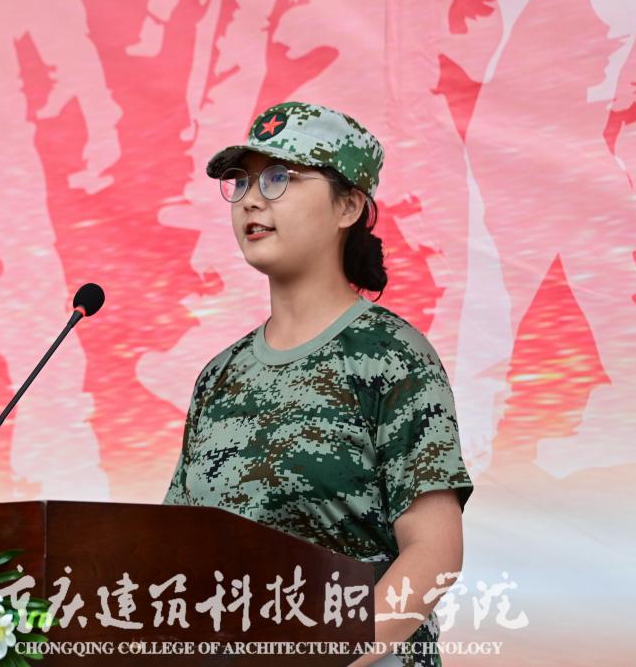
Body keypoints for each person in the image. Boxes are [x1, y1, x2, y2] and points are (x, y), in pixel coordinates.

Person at [162, 101, 474, 667]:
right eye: (242, 182)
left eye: (279, 178)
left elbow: (435, 553)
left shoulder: (392, 356)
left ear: (348, 205)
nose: (251, 200)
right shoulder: (219, 375)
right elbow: (172, 550)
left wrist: (322, 658)